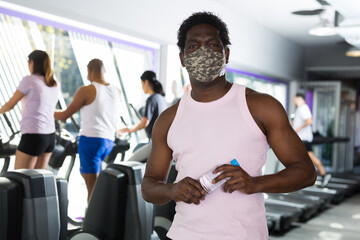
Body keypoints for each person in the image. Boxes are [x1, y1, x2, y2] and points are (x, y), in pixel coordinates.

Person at [141, 12, 317, 240]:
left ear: (226, 54)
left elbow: (305, 172)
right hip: (183, 235)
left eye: (212, 44)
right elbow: (148, 186)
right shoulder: (168, 119)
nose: (203, 52)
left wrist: (255, 183)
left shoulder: (261, 106)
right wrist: (171, 190)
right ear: (183, 58)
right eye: (193, 46)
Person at [54, 58, 121, 202]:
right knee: (93, 182)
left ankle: (92, 222)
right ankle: (98, 217)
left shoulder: (87, 90)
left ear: (90, 71)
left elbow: (65, 115)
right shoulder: (117, 90)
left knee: (92, 187)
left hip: (91, 140)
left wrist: (45, 111)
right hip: (108, 141)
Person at [0, 50, 58, 170]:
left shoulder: (29, 80)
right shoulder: (53, 83)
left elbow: (10, 105)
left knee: (21, 180)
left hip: (33, 137)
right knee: (38, 181)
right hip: (50, 137)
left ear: (32, 63)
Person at [120, 70, 167, 150]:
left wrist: (130, 130)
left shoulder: (151, 99)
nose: (141, 87)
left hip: (154, 143)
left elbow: (144, 123)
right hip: (161, 141)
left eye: (141, 84)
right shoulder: (160, 98)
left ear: (146, 82)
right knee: (139, 147)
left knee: (135, 152)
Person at [293, 92, 332, 187]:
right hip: (302, 139)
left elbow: (309, 121)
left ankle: (324, 175)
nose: (294, 101)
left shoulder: (303, 108)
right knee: (305, 158)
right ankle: (318, 175)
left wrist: (298, 128)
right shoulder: (300, 109)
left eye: (295, 99)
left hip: (304, 139)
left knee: (309, 158)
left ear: (298, 98)